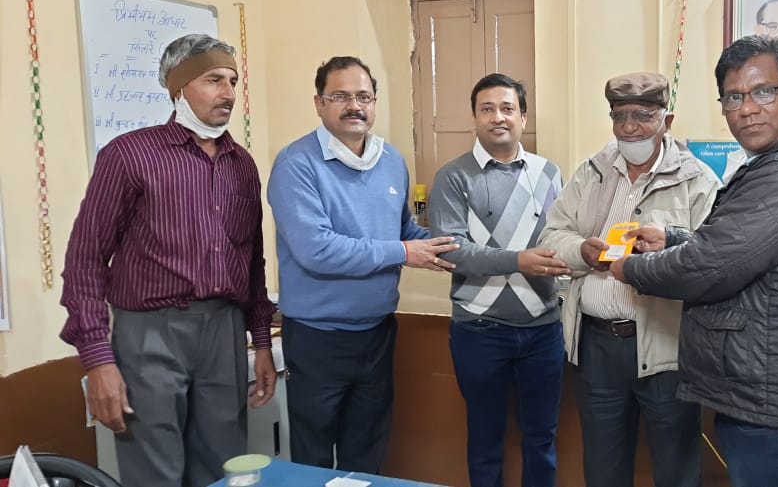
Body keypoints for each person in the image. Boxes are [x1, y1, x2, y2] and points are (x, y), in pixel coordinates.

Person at [609, 36, 778, 487]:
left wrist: (627, 268)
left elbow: (707, 268)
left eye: (764, 91)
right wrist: (673, 237)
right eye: (734, 97)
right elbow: (745, 251)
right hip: (775, 392)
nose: (747, 109)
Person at [60, 33, 277, 487]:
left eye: (233, 81)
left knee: (224, 468)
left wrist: (260, 341)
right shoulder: (129, 154)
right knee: (154, 473)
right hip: (148, 335)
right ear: (179, 88)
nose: (229, 93)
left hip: (223, 331)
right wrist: (98, 361)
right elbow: (85, 259)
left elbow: (252, 261)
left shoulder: (242, 165)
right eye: (214, 80)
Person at [267, 56, 458, 473]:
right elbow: (316, 249)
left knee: (367, 449)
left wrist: (463, 251)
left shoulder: (390, 160)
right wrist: (404, 253)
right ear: (319, 104)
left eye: (363, 96)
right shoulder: (296, 165)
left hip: (376, 334)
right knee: (314, 455)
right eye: (340, 96)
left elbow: (404, 229)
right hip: (318, 339)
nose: (354, 105)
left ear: (374, 103)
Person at [538, 72, 718, 487]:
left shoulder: (697, 180)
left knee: (676, 470)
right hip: (598, 347)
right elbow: (553, 234)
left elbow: (712, 258)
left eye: (642, 115)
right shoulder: (593, 171)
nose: (629, 127)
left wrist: (655, 258)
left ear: (666, 121)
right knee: (603, 471)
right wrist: (580, 251)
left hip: (665, 348)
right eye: (619, 116)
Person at [427, 73, 568, 487]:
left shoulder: (548, 173)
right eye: (486, 109)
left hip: (543, 330)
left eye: (507, 108)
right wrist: (517, 260)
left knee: (542, 438)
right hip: (479, 329)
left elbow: (559, 236)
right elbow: (452, 250)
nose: (497, 117)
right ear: (474, 118)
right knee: (485, 440)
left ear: (523, 117)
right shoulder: (453, 177)